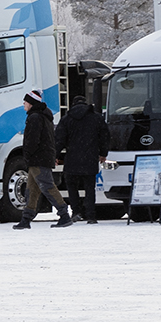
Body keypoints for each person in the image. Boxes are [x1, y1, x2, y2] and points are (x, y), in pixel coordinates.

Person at [15, 89, 71, 229]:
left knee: (47, 186)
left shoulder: (35, 118)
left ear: (31, 103)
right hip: (40, 158)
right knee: (32, 189)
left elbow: (33, 140)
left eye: (26, 102)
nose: (24, 104)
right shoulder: (43, 117)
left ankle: (64, 214)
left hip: (38, 158)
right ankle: (26, 219)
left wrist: (27, 154)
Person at [55, 92, 109, 223]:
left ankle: (76, 211)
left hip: (72, 158)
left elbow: (59, 139)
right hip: (90, 158)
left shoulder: (67, 118)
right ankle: (91, 215)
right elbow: (105, 137)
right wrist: (103, 153)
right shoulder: (96, 118)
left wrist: (55, 155)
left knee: (72, 186)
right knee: (90, 187)